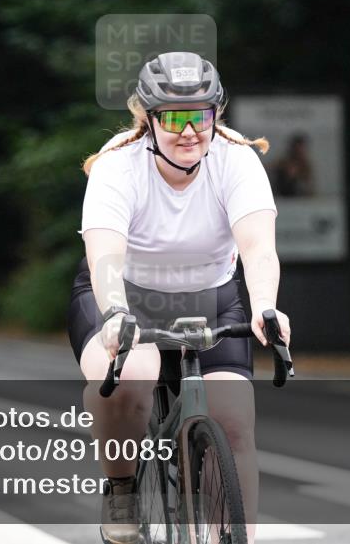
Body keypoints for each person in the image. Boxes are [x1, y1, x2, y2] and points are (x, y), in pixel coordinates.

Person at [69, 52, 291, 544]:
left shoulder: (236, 160)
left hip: (212, 299)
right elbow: (106, 256)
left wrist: (265, 307)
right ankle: (122, 486)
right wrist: (115, 314)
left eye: (201, 116)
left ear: (216, 115)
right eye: (174, 117)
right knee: (131, 377)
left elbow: (257, 250)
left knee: (233, 421)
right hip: (126, 296)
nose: (190, 130)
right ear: (148, 120)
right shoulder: (118, 167)